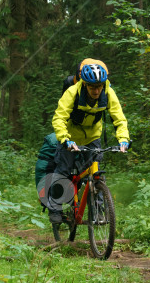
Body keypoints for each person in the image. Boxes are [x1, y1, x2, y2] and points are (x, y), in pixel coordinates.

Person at [47, 62, 129, 225]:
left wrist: (123, 139)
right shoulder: (72, 92)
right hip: (71, 136)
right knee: (62, 171)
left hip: (92, 137)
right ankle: (54, 208)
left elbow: (119, 118)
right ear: (84, 84)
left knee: (96, 174)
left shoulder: (108, 92)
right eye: (92, 87)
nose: (96, 91)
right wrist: (65, 139)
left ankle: (98, 212)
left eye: (99, 86)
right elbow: (59, 118)